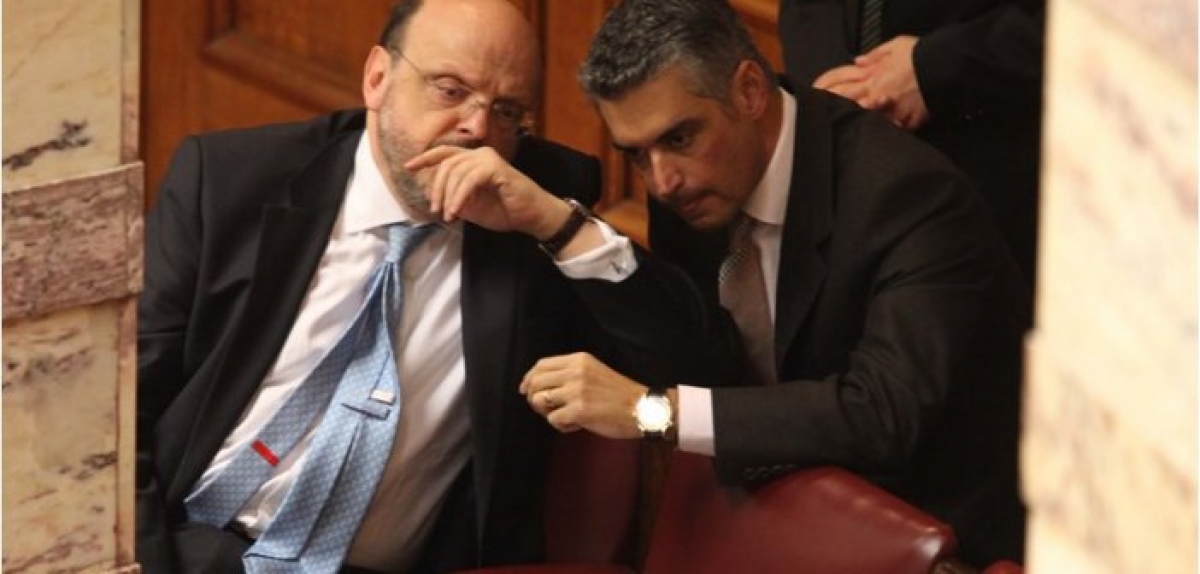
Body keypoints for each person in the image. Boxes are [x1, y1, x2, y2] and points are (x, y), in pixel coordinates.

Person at [136, 0, 733, 572]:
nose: (476, 128)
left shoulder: (535, 214)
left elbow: (692, 364)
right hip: (182, 547)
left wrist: (557, 226)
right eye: (450, 90)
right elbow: (117, 406)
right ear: (378, 78)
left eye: (507, 111)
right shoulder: (230, 181)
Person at [520, 0, 1027, 565]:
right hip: (775, 515)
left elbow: (879, 414)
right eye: (636, 156)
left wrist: (651, 411)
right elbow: (700, 355)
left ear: (749, 91)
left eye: (680, 138)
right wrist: (564, 229)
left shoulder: (908, 197)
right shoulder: (689, 184)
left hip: (928, 538)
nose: (661, 181)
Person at [777, 0, 1045, 289]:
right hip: (850, 176)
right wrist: (834, 85)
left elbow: (1069, 27)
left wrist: (934, 66)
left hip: (996, 181)